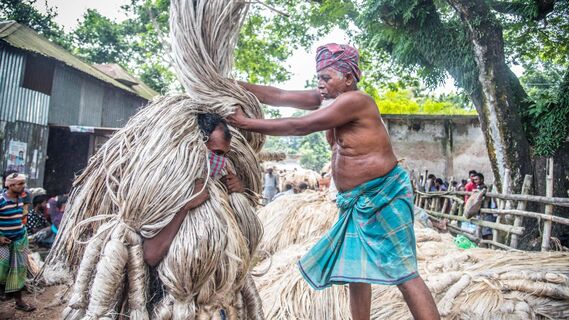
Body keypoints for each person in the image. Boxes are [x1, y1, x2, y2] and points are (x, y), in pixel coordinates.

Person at [229, 43, 439, 320]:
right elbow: (280, 95)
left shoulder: (357, 101)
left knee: (403, 271)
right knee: (356, 272)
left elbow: (301, 126)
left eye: (327, 77)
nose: (320, 84)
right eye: (318, 78)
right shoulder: (327, 99)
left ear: (348, 78)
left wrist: (248, 123)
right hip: (354, 201)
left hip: (383, 196)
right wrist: (230, 84)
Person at [142, 113, 244, 267]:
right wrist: (186, 205)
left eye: (224, 154)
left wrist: (235, 193)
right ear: (195, 146)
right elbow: (151, 255)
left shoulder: (215, 183)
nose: (220, 160)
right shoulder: (164, 185)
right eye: (216, 153)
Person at [0, 173, 35, 312]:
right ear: (9, 185)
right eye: (19, 184)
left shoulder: (22, 199)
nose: (23, 186)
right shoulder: (1, 200)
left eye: (23, 183)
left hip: (19, 239)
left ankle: (19, 301)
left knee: (19, 270)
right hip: (3, 242)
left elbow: (22, 217)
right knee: (1, 270)